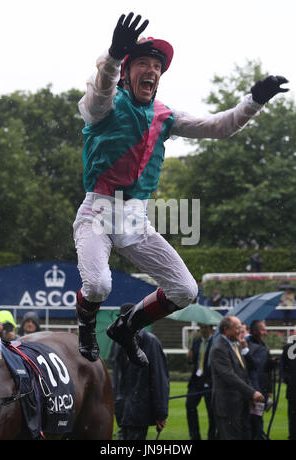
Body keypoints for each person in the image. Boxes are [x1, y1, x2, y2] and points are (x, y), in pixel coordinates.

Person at [73, 11, 289, 366]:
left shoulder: (165, 116)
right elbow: (100, 89)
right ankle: (86, 326)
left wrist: (253, 102)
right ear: (127, 73)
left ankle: (126, 326)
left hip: (135, 219)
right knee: (98, 286)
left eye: (157, 67)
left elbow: (218, 127)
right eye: (143, 63)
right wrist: (112, 56)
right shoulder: (105, 105)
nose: (152, 71)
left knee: (186, 290)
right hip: (96, 211)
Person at [111, 303, 169, 440]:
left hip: (138, 411)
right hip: (123, 410)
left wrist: (161, 414)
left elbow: (159, 380)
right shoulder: (118, 343)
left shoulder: (150, 342)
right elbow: (117, 378)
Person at [210, 315, 264, 440]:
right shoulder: (219, 349)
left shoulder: (236, 345)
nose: (240, 330)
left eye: (241, 327)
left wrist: (251, 395)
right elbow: (230, 376)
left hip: (240, 404)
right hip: (227, 406)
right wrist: (252, 392)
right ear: (226, 329)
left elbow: (243, 375)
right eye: (237, 327)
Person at [245, 320, 277, 440]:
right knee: (252, 422)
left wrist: (272, 363)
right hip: (251, 391)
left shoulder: (264, 346)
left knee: (258, 420)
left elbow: (266, 371)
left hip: (261, 391)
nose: (265, 332)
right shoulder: (247, 347)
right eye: (262, 329)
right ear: (255, 331)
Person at [186, 323, 217, 440]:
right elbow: (192, 362)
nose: (202, 331)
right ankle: (194, 436)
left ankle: (211, 436)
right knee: (190, 406)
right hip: (196, 380)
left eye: (204, 328)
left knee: (211, 412)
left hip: (210, 381)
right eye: (200, 328)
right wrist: (189, 358)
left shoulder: (215, 342)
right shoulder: (196, 341)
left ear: (210, 329)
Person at [282, 334, 296, 440]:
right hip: (293, 390)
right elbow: (284, 368)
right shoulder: (288, 348)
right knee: (293, 418)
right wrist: (288, 380)